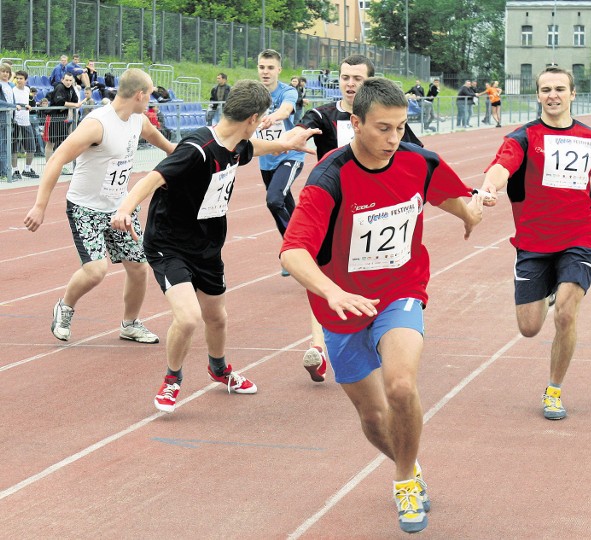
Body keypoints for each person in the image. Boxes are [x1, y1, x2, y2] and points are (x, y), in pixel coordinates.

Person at [281, 78, 485, 533]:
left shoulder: (417, 160)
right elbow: (292, 252)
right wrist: (331, 291)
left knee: (399, 386)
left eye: (400, 127)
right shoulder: (328, 178)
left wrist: (471, 212)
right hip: (342, 307)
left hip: (400, 290)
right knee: (373, 417)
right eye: (383, 129)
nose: (394, 139)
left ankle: (402, 482)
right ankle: (411, 466)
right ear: (355, 122)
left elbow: (446, 192)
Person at [109, 80, 320, 412]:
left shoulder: (236, 142)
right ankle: (172, 380)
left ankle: (219, 370)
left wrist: (284, 143)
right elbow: (154, 177)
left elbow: (254, 149)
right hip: (169, 244)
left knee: (217, 317)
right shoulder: (197, 148)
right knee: (189, 317)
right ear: (253, 119)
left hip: (207, 245)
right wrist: (125, 208)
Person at [480, 66, 591, 420]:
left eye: (560, 89)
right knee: (529, 327)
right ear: (537, 95)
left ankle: (554, 390)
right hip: (533, 243)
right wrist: (491, 187)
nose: (553, 95)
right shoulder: (522, 138)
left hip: (580, 238)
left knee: (566, 312)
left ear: (573, 94)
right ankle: (550, 286)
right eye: (546, 89)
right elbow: (501, 167)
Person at [291, 54, 425, 383]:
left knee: (374, 276)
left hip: (373, 215)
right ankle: (318, 346)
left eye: (358, 79)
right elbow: (300, 128)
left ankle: (383, 331)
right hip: (332, 211)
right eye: (345, 77)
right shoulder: (323, 115)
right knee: (321, 272)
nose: (350, 83)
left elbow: (420, 156)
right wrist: (290, 137)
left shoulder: (386, 121)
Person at [24, 68, 176, 344]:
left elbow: (162, 142)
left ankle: (130, 324)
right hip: (86, 207)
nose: (151, 101)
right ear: (139, 94)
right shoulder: (98, 124)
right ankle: (65, 306)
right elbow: (57, 159)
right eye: (150, 95)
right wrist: (39, 206)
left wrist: (182, 154)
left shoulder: (138, 119)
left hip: (120, 208)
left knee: (139, 266)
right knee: (96, 270)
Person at [256, 49, 306, 246]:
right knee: (284, 204)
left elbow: (285, 110)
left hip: (289, 155)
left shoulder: (288, 91)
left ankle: (291, 246)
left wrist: (272, 117)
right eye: (261, 67)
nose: (265, 72)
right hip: (266, 159)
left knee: (274, 200)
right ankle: (304, 242)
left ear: (279, 70)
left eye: (270, 68)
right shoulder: (253, 93)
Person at [43, 72, 85, 164]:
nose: (68, 82)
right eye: (66, 80)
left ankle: (59, 163)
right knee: (51, 142)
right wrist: (74, 105)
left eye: (70, 80)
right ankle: (48, 165)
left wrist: (74, 104)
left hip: (63, 118)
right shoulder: (59, 87)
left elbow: (75, 100)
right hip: (53, 117)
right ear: (62, 80)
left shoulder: (71, 89)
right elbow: (60, 102)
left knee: (63, 141)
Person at [10, 70, 39, 180]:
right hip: (15, 122)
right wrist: (21, 105)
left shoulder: (27, 90)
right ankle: (15, 170)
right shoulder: (13, 90)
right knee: (14, 148)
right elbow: (12, 103)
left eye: (21, 78)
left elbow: (31, 103)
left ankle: (27, 169)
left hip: (26, 122)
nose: (18, 80)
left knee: (31, 147)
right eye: (17, 78)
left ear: (26, 80)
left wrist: (29, 105)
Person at [0, 63, 16, 181]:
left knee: (6, 146)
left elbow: (12, 101)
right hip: (1, 119)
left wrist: (22, 105)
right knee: (2, 146)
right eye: (3, 71)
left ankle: (5, 171)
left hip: (8, 118)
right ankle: (3, 172)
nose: (5, 74)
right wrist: (13, 106)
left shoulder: (10, 85)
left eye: (7, 72)